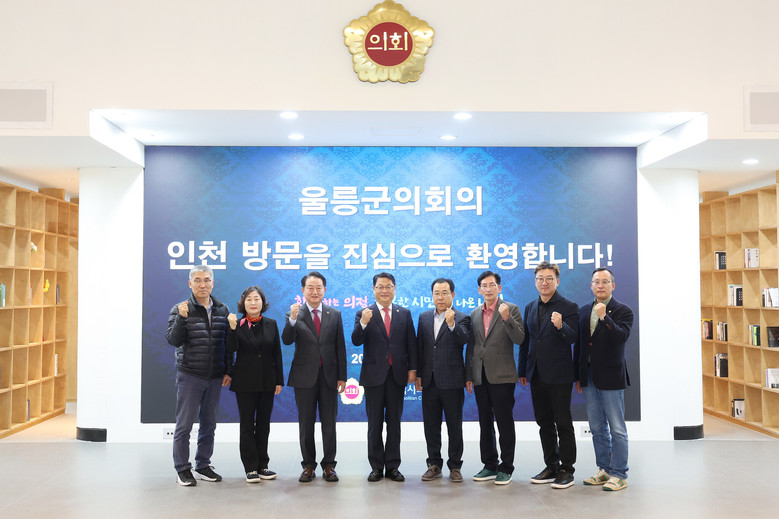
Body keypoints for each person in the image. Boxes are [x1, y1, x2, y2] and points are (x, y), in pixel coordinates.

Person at [165, 264, 231, 487]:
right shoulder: (180, 309)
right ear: (190, 283)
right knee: (184, 425)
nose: (203, 285)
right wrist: (182, 318)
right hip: (190, 375)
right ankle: (182, 469)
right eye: (198, 280)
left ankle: (203, 465)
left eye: (206, 280)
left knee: (209, 423)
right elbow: (173, 340)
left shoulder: (222, 309)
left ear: (213, 283)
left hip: (215, 376)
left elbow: (227, 344)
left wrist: (227, 370)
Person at [518, 261, 579, 489]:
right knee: (544, 423)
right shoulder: (530, 307)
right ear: (535, 282)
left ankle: (567, 469)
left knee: (563, 423)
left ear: (557, 281)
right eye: (540, 279)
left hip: (559, 375)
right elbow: (526, 341)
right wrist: (523, 369)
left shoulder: (569, 306)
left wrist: (561, 325)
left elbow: (573, 338)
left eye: (549, 279)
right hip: (536, 374)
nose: (544, 282)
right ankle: (551, 465)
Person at [352, 272, 417, 482]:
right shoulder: (364, 313)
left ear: (394, 289)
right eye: (380, 286)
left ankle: (393, 466)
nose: (384, 290)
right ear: (373, 289)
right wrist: (363, 323)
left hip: (397, 375)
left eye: (388, 286)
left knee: (394, 423)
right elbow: (356, 340)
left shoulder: (404, 313)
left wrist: (413, 369)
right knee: (375, 423)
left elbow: (411, 344)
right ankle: (376, 467)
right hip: (373, 376)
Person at [282, 271, 347, 483]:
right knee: (306, 423)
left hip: (329, 376)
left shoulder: (334, 314)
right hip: (304, 377)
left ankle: (329, 465)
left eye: (319, 287)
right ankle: (308, 465)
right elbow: (287, 340)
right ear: (303, 290)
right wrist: (292, 320)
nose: (315, 291)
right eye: (310, 287)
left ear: (324, 290)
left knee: (329, 423)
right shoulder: (294, 313)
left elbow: (340, 347)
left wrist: (342, 377)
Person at [576, 267, 634, 492]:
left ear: (613, 285)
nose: (600, 285)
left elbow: (621, 337)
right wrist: (579, 376)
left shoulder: (623, 311)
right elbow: (581, 346)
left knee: (617, 428)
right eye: (596, 282)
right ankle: (605, 469)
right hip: (589, 377)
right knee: (596, 427)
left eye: (605, 282)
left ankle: (619, 474)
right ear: (591, 285)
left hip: (611, 376)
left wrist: (604, 317)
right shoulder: (583, 311)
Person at [465, 271, 525, 486]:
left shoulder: (510, 309)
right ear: (479, 290)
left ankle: (506, 467)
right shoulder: (474, 314)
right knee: (485, 422)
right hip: (480, 376)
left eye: (492, 285)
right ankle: (490, 464)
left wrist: (507, 318)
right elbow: (472, 346)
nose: (488, 289)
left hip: (502, 376)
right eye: (484, 285)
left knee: (504, 422)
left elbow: (519, 338)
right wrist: (469, 374)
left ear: (499, 288)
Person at [415, 278, 471, 483]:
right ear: (432, 295)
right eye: (436, 293)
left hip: (452, 381)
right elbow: (420, 347)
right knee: (431, 425)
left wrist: (451, 324)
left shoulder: (462, 317)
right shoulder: (423, 317)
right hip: (429, 380)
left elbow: (464, 340)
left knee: (454, 426)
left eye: (444, 293)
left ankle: (455, 466)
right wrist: (418, 374)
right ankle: (434, 464)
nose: (440, 297)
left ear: (452, 295)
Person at [226, 285, 284, 483]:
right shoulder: (237, 323)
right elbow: (230, 348)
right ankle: (250, 468)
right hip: (245, 382)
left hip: (267, 381)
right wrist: (232, 329)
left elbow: (277, 353)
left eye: (256, 299)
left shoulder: (271, 324)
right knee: (247, 425)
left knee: (264, 425)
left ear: (262, 303)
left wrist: (279, 380)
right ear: (243, 303)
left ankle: (263, 465)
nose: (253, 303)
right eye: (249, 299)